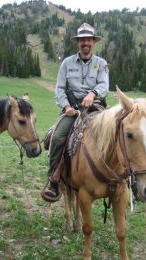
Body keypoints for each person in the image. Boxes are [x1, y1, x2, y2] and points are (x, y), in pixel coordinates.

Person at [41, 23, 109, 202]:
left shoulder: (101, 64)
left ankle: (126, 179)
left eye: (88, 39)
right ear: (77, 42)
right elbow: (59, 88)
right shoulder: (67, 63)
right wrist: (66, 107)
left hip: (95, 106)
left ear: (93, 42)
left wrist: (93, 93)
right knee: (56, 137)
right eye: (82, 40)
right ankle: (53, 181)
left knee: (116, 132)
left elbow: (104, 85)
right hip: (72, 109)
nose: (85, 43)